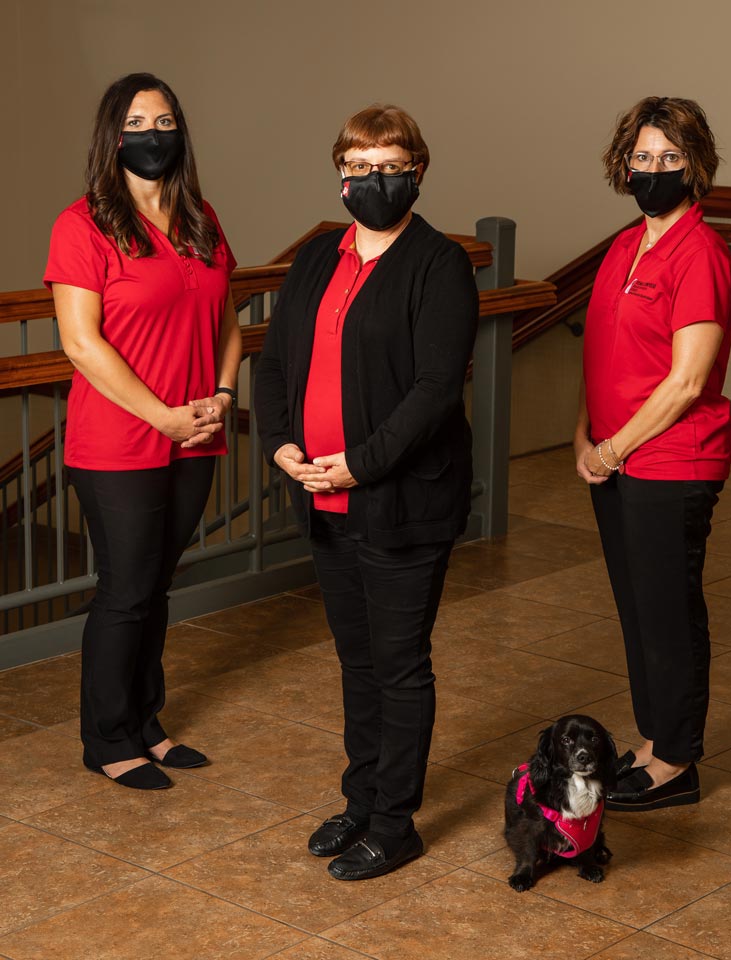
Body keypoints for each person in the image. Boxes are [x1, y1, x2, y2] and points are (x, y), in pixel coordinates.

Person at [254, 104, 479, 879]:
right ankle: (361, 800)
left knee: (399, 662)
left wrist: (360, 462)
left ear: (416, 171)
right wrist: (283, 442)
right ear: (340, 175)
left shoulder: (438, 264)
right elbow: (277, 358)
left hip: (401, 499)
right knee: (357, 659)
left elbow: (434, 390)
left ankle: (396, 820)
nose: (373, 181)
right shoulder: (317, 257)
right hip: (322, 495)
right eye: (358, 168)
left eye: (389, 167)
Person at [44, 73, 241, 790]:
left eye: (164, 121)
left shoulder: (201, 219)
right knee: (125, 590)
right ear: (112, 135)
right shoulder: (83, 224)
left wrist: (221, 393)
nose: (152, 135)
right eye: (136, 122)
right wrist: (159, 414)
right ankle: (107, 737)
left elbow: (227, 323)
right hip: (119, 441)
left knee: (156, 586)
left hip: (196, 435)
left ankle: (146, 722)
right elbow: (80, 343)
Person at [574, 97, 731, 811]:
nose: (653, 170)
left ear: (695, 165)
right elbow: (602, 357)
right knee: (638, 610)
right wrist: (585, 437)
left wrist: (611, 447)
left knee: (668, 613)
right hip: (615, 461)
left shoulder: (700, 252)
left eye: (669, 158)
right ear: (623, 164)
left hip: (672, 463)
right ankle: (652, 737)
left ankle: (678, 760)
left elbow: (688, 381)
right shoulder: (622, 246)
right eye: (642, 158)